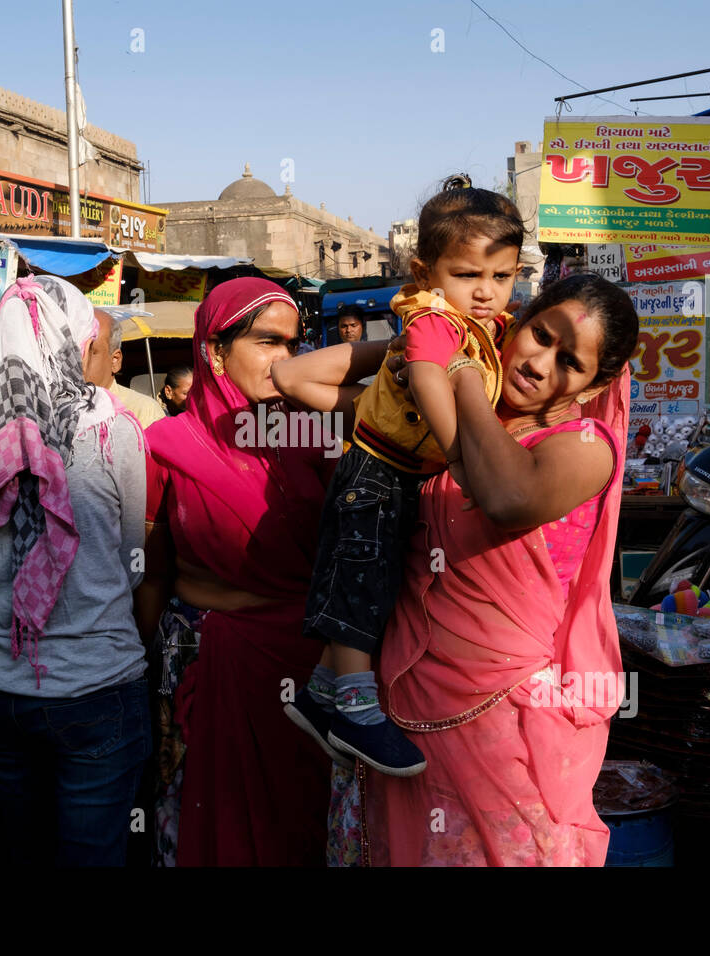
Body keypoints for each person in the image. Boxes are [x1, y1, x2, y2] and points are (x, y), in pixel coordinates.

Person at [295, 273, 636, 865]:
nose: (539, 362)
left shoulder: (584, 446)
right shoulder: (436, 415)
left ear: (596, 383)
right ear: (520, 318)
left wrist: (461, 374)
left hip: (501, 718)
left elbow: (506, 499)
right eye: (540, 334)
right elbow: (296, 379)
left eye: (570, 362)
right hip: (397, 707)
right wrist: (422, 339)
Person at [274, 174, 522, 777]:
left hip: (397, 471)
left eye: (502, 275)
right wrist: (461, 456)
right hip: (379, 472)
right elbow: (435, 382)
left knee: (373, 578)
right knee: (360, 577)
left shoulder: (482, 329)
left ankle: (322, 693)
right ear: (424, 271)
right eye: (468, 275)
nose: (486, 291)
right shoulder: (434, 321)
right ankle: (357, 710)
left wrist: (378, 400)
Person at [0, 274, 149, 867]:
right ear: (73, 341)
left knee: (26, 851)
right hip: (97, 689)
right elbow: (130, 562)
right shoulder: (112, 431)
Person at [137, 278, 340, 866]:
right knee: (211, 823)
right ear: (215, 352)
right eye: (267, 341)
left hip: (306, 667)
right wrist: (132, 663)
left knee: (301, 824)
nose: (285, 359)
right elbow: (152, 573)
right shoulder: (165, 444)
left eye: (294, 344)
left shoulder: (315, 433)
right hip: (209, 658)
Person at [94, 309, 167, 428]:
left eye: (92, 352)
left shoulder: (143, 410)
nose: (76, 361)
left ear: (115, 360)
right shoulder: (60, 409)